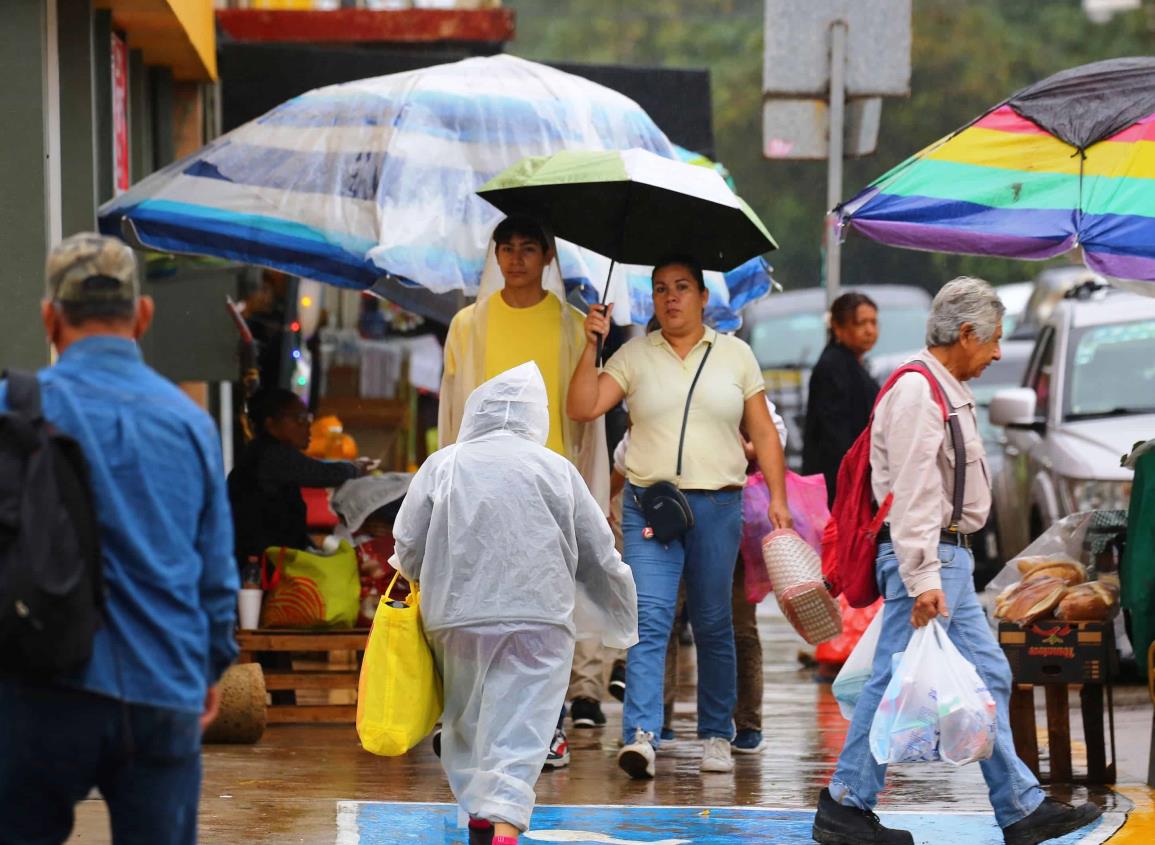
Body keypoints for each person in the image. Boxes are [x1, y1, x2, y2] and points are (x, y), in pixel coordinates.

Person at [811, 278, 1102, 845]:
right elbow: (915, 493)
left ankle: (1019, 808)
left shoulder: (940, 388)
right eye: (992, 340)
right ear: (965, 333)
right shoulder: (920, 393)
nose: (997, 353)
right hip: (931, 559)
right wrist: (922, 578)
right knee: (893, 677)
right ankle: (847, 802)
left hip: (948, 561)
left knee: (985, 674)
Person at [0, 233, 239, 845]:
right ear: (143, 316)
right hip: (164, 688)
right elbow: (215, 575)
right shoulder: (189, 424)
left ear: (50, 318)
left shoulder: (13, 411)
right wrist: (211, 665)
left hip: (40, 689)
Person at [393, 363, 637, 845]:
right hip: (539, 620)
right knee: (522, 728)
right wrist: (620, 609)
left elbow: (407, 545)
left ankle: (481, 822)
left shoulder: (444, 464)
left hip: (457, 620)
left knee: (467, 723)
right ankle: (503, 829)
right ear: (536, 416)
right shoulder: (556, 470)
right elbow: (599, 549)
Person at [568, 254, 791, 779]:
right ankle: (641, 735)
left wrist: (778, 497)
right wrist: (589, 346)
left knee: (714, 622)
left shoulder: (737, 356)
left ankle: (716, 733)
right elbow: (583, 406)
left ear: (703, 297)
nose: (671, 298)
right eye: (662, 288)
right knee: (649, 619)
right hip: (652, 506)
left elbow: (763, 433)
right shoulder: (633, 355)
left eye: (682, 287)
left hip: (718, 506)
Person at [438, 214, 610, 756]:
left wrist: (593, 346)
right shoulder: (468, 324)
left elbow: (582, 417)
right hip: (481, 486)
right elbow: (450, 411)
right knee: (478, 608)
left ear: (548, 257)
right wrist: (447, 480)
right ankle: (471, 720)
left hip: (547, 487)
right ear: (495, 256)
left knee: (544, 612)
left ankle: (548, 725)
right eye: (506, 248)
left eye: (528, 249)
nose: (516, 259)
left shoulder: (572, 325)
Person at [228, 388, 370, 571]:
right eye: (300, 419)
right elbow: (322, 473)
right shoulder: (270, 455)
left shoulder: (265, 452)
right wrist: (355, 468)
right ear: (271, 424)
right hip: (259, 569)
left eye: (307, 419)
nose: (307, 427)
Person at [802, 291, 880, 506]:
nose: (869, 330)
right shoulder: (832, 366)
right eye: (860, 323)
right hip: (839, 482)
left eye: (873, 322)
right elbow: (835, 435)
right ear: (838, 327)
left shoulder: (854, 364)